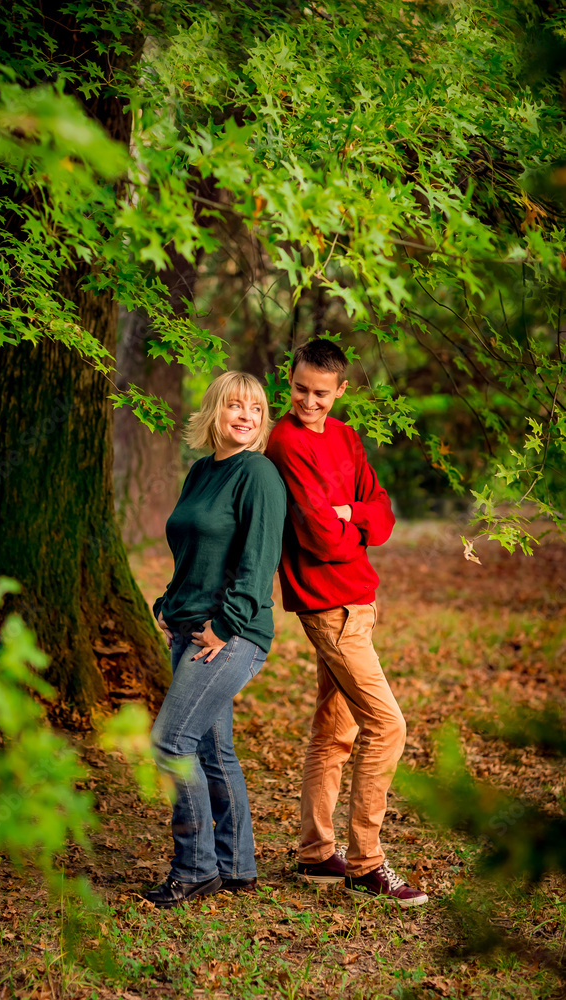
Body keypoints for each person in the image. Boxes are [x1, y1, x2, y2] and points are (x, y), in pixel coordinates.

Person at [265, 338, 427, 908]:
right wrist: (349, 525)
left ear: (341, 390)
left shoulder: (346, 437)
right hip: (327, 604)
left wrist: (351, 513)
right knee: (387, 725)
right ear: (289, 381)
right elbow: (319, 538)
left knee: (335, 731)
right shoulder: (285, 442)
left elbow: (382, 514)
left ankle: (316, 855)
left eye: (321, 394)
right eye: (300, 390)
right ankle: (366, 863)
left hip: (359, 598)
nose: (309, 402)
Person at [144, 371, 286, 908]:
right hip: (187, 628)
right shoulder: (202, 471)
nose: (246, 416)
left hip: (231, 633)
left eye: (256, 408)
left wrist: (223, 628)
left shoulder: (258, 475)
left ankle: (195, 869)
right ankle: (236, 866)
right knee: (212, 749)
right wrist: (167, 602)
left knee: (170, 743)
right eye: (234, 405)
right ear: (214, 412)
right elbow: (189, 550)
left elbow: (259, 563)